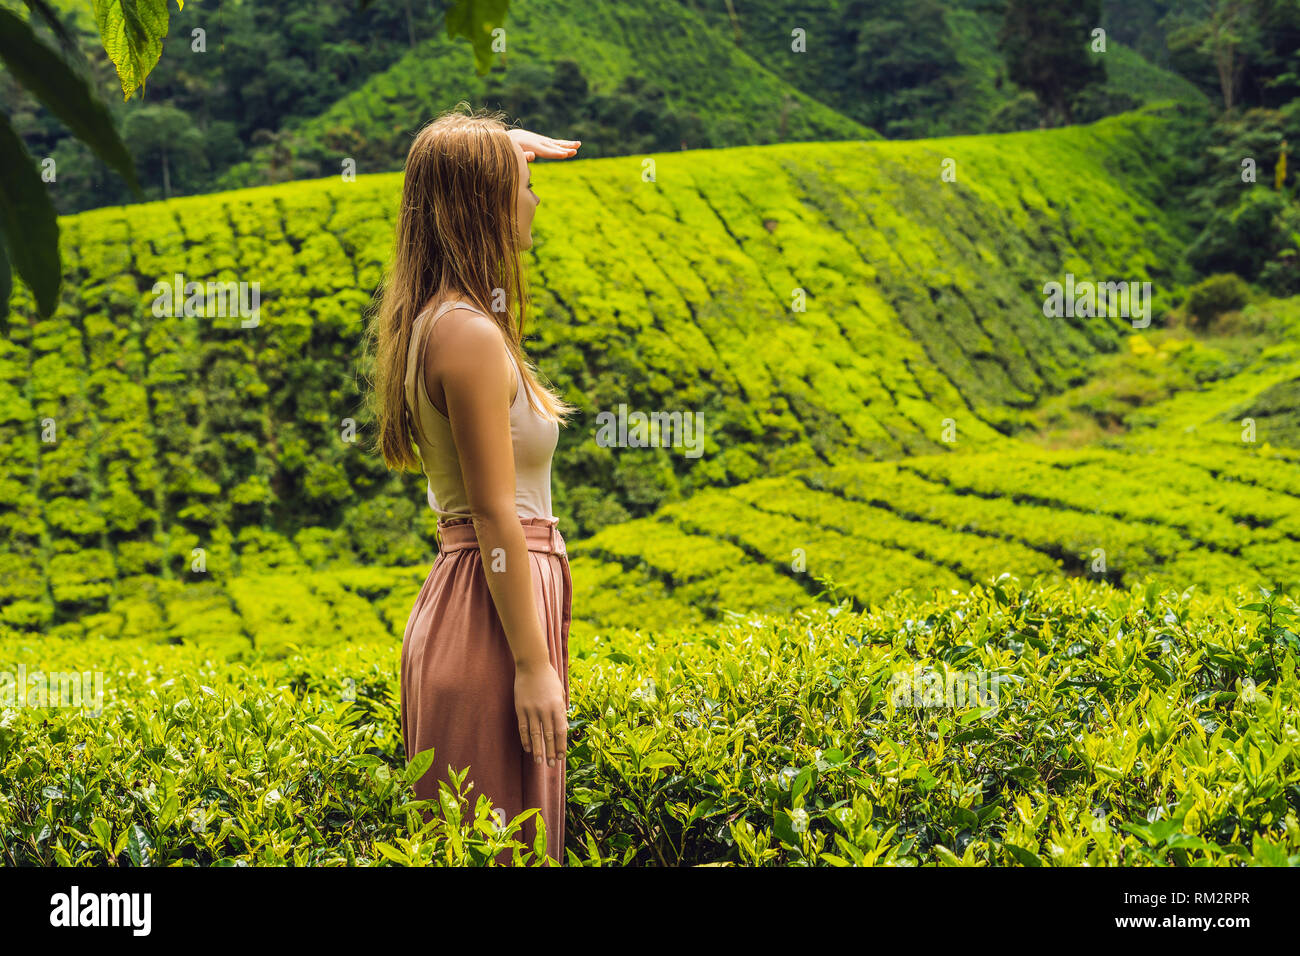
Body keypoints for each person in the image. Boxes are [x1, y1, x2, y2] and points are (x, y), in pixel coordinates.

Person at [366, 105, 581, 864]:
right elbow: (495, 512)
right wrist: (530, 665)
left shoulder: (445, 319)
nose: (535, 199)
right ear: (483, 201)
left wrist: (492, 151)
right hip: (492, 614)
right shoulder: (465, 332)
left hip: (496, 602)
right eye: (520, 185)